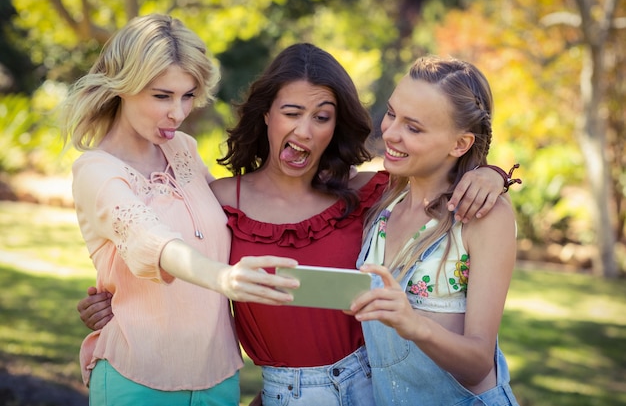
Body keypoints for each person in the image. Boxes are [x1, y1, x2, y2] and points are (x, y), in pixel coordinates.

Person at [77, 43, 510, 405]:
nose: (304, 131)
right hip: (277, 391)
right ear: (267, 114)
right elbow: (172, 244)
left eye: (322, 117)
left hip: (368, 390)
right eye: (291, 112)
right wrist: (116, 297)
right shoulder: (221, 202)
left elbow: (438, 173)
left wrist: (490, 174)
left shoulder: (370, 194)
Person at [61, 13, 299, 406]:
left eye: (187, 95)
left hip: (218, 379)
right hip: (136, 380)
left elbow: (239, 208)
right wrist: (224, 279)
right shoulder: (96, 170)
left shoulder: (182, 149)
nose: (179, 112)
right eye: (162, 96)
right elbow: (154, 242)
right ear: (123, 86)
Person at [349, 56, 519, 405]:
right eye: (392, 113)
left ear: (460, 144)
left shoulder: (482, 216)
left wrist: (413, 324)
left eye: (414, 128)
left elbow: (477, 364)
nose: (391, 133)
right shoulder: (383, 199)